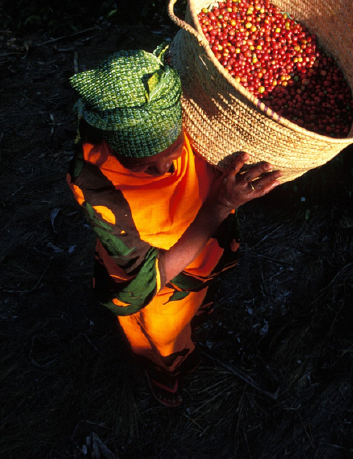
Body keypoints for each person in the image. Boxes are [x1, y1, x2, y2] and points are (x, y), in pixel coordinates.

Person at [66, 47, 281, 407]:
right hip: (156, 280)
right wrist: (219, 206)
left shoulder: (183, 112)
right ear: (113, 148)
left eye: (173, 152)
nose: (165, 171)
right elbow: (147, 278)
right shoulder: (94, 185)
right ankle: (164, 373)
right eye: (146, 167)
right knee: (160, 332)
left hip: (196, 250)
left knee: (196, 294)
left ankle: (197, 308)